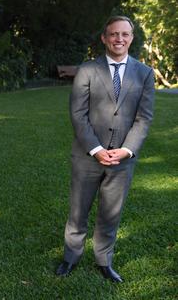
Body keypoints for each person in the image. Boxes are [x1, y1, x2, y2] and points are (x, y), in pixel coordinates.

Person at [56, 16, 155, 283]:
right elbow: (78, 114)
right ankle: (71, 258)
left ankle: (104, 261)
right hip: (87, 156)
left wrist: (127, 150)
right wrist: (96, 149)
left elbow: (144, 118)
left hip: (122, 159)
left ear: (132, 38)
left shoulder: (144, 73)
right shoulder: (87, 70)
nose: (119, 39)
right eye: (113, 34)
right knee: (78, 211)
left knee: (110, 213)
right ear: (104, 37)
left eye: (125, 34)